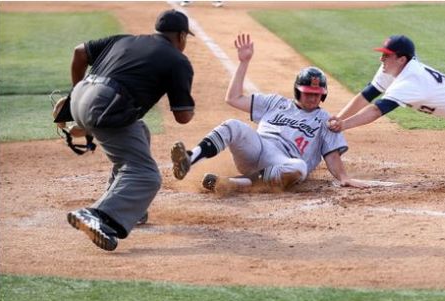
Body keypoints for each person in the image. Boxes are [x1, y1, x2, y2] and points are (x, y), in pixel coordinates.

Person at [66, 9, 196, 251]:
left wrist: (77, 92)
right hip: (107, 106)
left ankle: (128, 207)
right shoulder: (177, 60)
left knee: (140, 132)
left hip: (80, 96)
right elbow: (183, 117)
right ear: (181, 36)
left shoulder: (124, 39)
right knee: (147, 175)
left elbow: (79, 51)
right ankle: (99, 215)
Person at [171, 34, 366, 193]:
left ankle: (232, 183)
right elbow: (233, 98)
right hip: (257, 147)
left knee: (300, 167)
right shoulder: (276, 102)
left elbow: (332, 156)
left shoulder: (326, 121)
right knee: (233, 124)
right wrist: (243, 63)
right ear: (298, 90)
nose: (313, 98)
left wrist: (344, 178)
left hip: (282, 163)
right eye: (308, 93)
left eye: (317, 94)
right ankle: (190, 159)